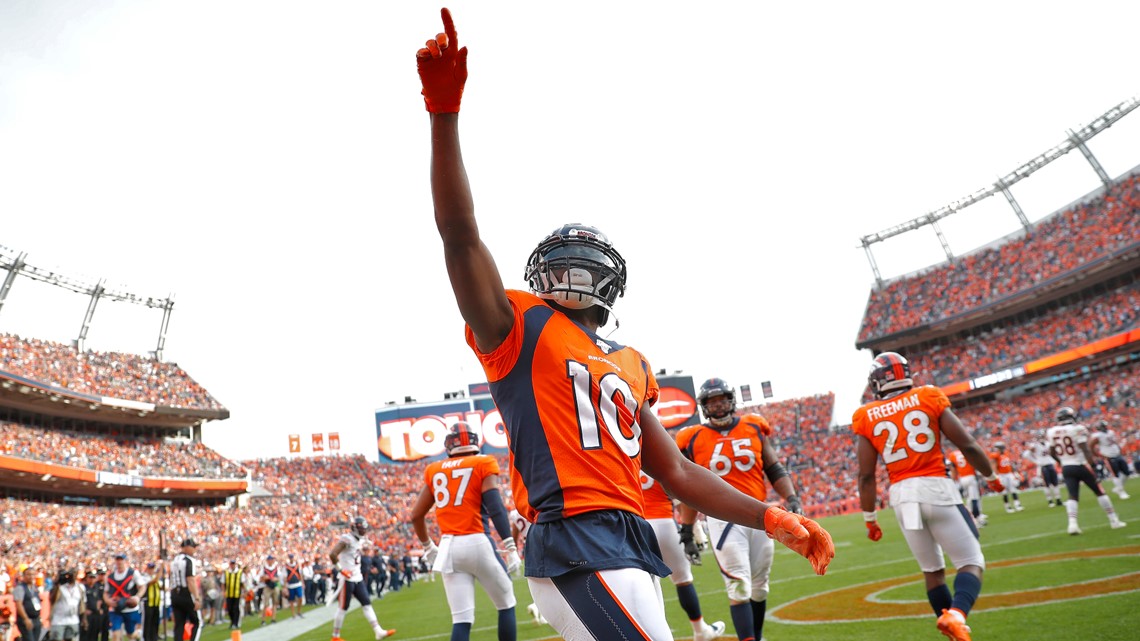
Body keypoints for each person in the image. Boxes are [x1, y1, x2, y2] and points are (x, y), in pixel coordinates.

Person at [415, 9, 833, 639]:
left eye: (585, 263)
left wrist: (769, 517)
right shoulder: (518, 328)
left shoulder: (632, 360)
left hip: (630, 535)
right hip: (571, 537)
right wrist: (444, 113)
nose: (573, 273)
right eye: (562, 263)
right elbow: (459, 235)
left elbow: (681, 473)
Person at [854, 352, 1005, 641]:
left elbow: (866, 475)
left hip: (902, 496)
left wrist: (870, 518)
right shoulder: (928, 396)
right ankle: (957, 616)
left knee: (932, 571)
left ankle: (951, 629)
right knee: (971, 560)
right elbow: (967, 444)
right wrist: (991, 477)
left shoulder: (866, 414)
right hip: (936, 486)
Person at [676, 378, 803, 641]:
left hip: (760, 514)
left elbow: (774, 468)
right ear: (703, 407)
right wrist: (687, 529)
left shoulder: (754, 426)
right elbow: (689, 491)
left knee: (760, 587)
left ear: (731, 400)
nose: (718, 406)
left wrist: (791, 498)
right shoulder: (692, 437)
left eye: (722, 399)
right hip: (723, 520)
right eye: (712, 402)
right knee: (739, 586)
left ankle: (755, 637)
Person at [411, 422, 519, 641]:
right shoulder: (483, 462)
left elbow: (415, 515)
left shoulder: (434, 469)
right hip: (477, 540)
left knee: (461, 619)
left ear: (449, 444)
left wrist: (427, 546)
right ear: (473, 440)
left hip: (449, 548)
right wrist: (510, 544)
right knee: (506, 603)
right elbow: (495, 506)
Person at [641, 471, 724, 641]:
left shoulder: (624, 453)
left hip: (637, 526)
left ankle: (650, 633)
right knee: (683, 579)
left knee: (645, 584)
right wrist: (694, 528)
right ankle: (700, 630)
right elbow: (680, 498)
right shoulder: (656, 453)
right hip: (665, 524)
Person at [1046, 407, 1126, 534]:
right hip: (1081, 464)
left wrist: (1062, 461)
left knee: (1072, 496)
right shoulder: (1077, 429)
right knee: (1099, 492)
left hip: (1067, 467)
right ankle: (1114, 521)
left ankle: (1072, 525)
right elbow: (1085, 449)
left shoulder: (1051, 431)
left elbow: (1051, 452)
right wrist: (1094, 467)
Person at [328, 516, 396, 641]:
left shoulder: (359, 539)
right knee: (343, 607)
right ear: (355, 528)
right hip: (346, 578)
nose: (364, 531)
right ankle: (335, 636)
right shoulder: (347, 539)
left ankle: (378, 631)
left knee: (367, 603)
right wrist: (341, 570)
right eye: (362, 528)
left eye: (364, 528)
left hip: (357, 577)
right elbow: (332, 554)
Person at [169, 538, 202, 641]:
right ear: (187, 547)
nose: (194, 549)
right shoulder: (188, 560)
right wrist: (196, 598)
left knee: (179, 624)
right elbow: (190, 579)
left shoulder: (174, 560)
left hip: (174, 594)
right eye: (193, 547)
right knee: (197, 622)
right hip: (185, 593)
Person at [104, 553, 142, 641]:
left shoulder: (133, 573)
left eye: (121, 559)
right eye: (117, 559)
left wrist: (137, 597)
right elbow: (105, 592)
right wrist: (107, 600)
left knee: (130, 635)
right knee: (115, 634)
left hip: (129, 608)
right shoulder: (110, 576)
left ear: (125, 561)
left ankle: (137, 634)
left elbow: (142, 586)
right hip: (116, 608)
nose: (119, 562)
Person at [1090, 420, 1132, 500]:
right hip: (1109, 457)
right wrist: (1098, 455)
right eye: (1103, 427)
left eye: (1105, 426)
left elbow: (1115, 443)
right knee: (1115, 475)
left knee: (1127, 473)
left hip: (1117, 454)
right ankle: (1121, 492)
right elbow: (1091, 446)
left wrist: (1119, 450)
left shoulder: (1111, 432)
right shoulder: (1098, 435)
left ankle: (1118, 488)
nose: (1104, 428)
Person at [948, 447, 987, 527]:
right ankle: (976, 519)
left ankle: (974, 516)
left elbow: (953, 469)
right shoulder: (966, 451)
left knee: (969, 499)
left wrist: (953, 480)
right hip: (971, 477)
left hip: (962, 478)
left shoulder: (953, 454)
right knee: (974, 499)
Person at [1022, 431, 1063, 507]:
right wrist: (1036, 461)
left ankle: (1058, 499)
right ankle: (1050, 501)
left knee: (1055, 483)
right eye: (1040, 436)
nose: (1041, 438)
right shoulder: (1035, 445)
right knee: (1046, 484)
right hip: (1043, 466)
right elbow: (1026, 454)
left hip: (1050, 464)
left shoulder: (1047, 443)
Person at [51, 567, 84, 641]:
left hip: (73, 620)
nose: (72, 577)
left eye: (74, 574)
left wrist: (84, 618)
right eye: (70, 575)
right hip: (58, 620)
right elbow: (52, 599)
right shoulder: (60, 587)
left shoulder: (79, 587)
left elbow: (82, 604)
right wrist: (57, 583)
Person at [989, 442, 1023, 513]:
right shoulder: (995, 456)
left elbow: (1009, 465)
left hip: (1009, 474)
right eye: (1001, 448)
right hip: (1001, 475)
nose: (1003, 449)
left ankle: (1017, 505)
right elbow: (993, 464)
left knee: (1013, 489)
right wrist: (996, 475)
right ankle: (1008, 507)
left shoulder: (1006, 454)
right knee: (1004, 491)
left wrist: (1014, 472)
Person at [14, 566, 44, 641]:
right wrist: (26, 619)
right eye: (29, 574)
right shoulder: (20, 588)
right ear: (24, 576)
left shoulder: (34, 587)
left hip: (36, 619)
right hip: (26, 619)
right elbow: (19, 605)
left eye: (33, 574)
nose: (31, 577)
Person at [141, 562, 164, 641]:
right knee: (147, 622)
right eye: (150, 568)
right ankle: (146, 638)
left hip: (156, 603)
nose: (151, 570)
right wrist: (160, 570)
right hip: (147, 603)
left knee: (155, 622)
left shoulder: (155, 576)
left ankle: (154, 637)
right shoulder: (144, 576)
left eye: (153, 568)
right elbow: (152, 582)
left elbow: (161, 586)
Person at [259, 554, 280, 625]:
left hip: (274, 586)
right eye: (269, 560)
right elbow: (260, 578)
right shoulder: (264, 568)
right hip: (267, 586)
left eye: (272, 560)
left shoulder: (276, 568)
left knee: (275, 603)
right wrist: (265, 578)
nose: (271, 561)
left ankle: (273, 618)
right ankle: (263, 620)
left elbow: (279, 578)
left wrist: (276, 579)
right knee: (266, 604)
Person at [283, 554, 305, 618]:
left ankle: (299, 611)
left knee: (300, 597)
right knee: (291, 600)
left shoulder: (297, 565)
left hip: (298, 584)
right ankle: (293, 614)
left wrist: (302, 582)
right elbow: (285, 577)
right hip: (290, 585)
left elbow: (300, 574)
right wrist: (285, 586)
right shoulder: (286, 567)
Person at [223, 560, 244, 630]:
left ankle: (235, 623)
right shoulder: (226, 572)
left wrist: (243, 592)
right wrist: (223, 591)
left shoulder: (240, 572)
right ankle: (232, 622)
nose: (232, 565)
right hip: (229, 593)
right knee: (229, 609)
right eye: (231, 564)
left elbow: (242, 583)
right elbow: (223, 583)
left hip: (237, 593)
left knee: (235, 608)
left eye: (233, 564)